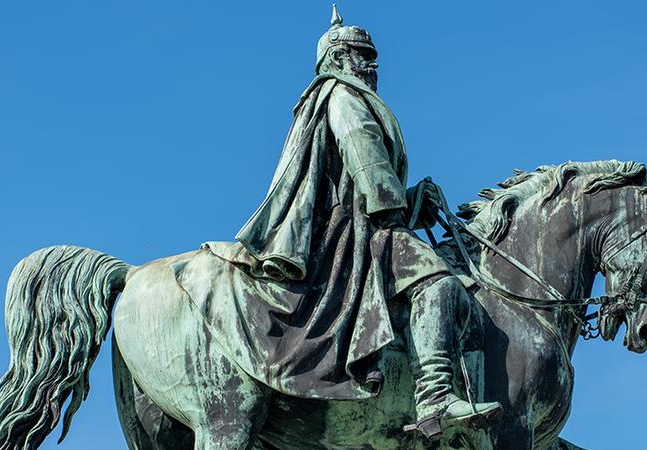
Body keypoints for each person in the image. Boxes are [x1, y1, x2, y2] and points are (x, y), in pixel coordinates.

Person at [185, 6, 502, 439]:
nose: (373, 65)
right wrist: (396, 207)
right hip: (351, 228)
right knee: (438, 282)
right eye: (362, 55)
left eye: (372, 56)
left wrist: (411, 197)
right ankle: (436, 397)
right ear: (337, 59)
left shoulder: (334, 96)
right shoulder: (343, 95)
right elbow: (363, 155)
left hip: (356, 215)